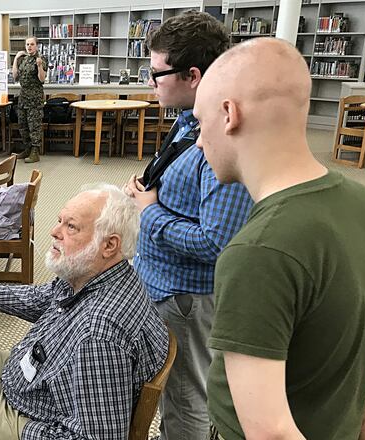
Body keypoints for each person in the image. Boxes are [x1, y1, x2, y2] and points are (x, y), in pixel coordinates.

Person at [192, 37, 365, 440]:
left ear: (229, 114)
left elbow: (270, 432)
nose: (198, 140)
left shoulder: (258, 251)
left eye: (199, 122)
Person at [0, 184, 170, 439]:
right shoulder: (101, 274)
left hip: (49, 418)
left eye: (71, 227)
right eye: (60, 221)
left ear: (109, 245)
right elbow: (42, 298)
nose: (54, 231)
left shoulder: (99, 334)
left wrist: (24, 430)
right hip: (56, 387)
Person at [123, 11, 254, 440]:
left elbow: (219, 243)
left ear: (192, 76)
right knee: (169, 395)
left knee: (185, 402)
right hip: (164, 286)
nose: (150, 83)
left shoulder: (223, 137)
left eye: (156, 73)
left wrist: (151, 213)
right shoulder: (188, 121)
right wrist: (148, 191)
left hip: (187, 298)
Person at [12, 37, 47, 163]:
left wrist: (39, 66)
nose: (29, 47)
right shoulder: (23, 59)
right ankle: (27, 149)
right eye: (27, 44)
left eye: (32, 44)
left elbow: (42, 79)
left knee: (34, 126)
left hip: (35, 98)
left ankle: (35, 152)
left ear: (36, 46)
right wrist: (16, 59)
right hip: (23, 97)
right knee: (23, 125)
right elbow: (15, 76)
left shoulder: (41, 59)